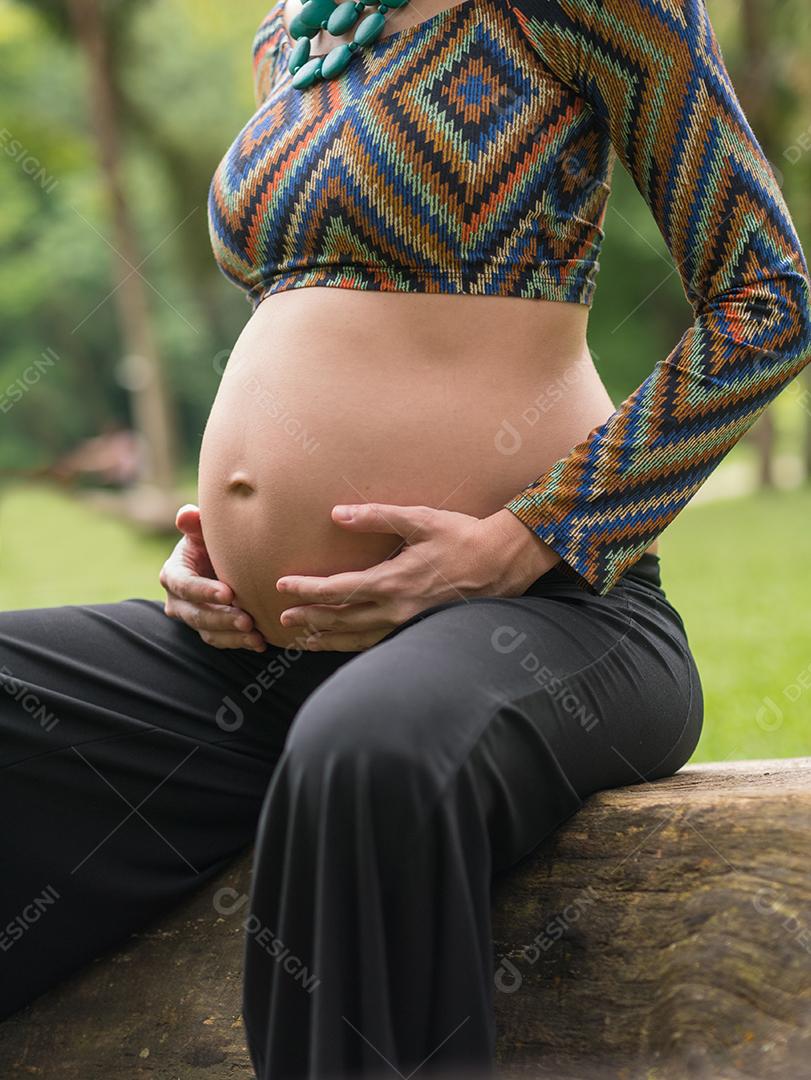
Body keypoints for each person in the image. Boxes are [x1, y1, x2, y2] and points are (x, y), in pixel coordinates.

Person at [2, 0, 809, 1076]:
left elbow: (769, 298)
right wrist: (218, 547)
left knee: (369, 750)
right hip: (263, 653)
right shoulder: (297, 26)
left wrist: (529, 537)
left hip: (547, 622)